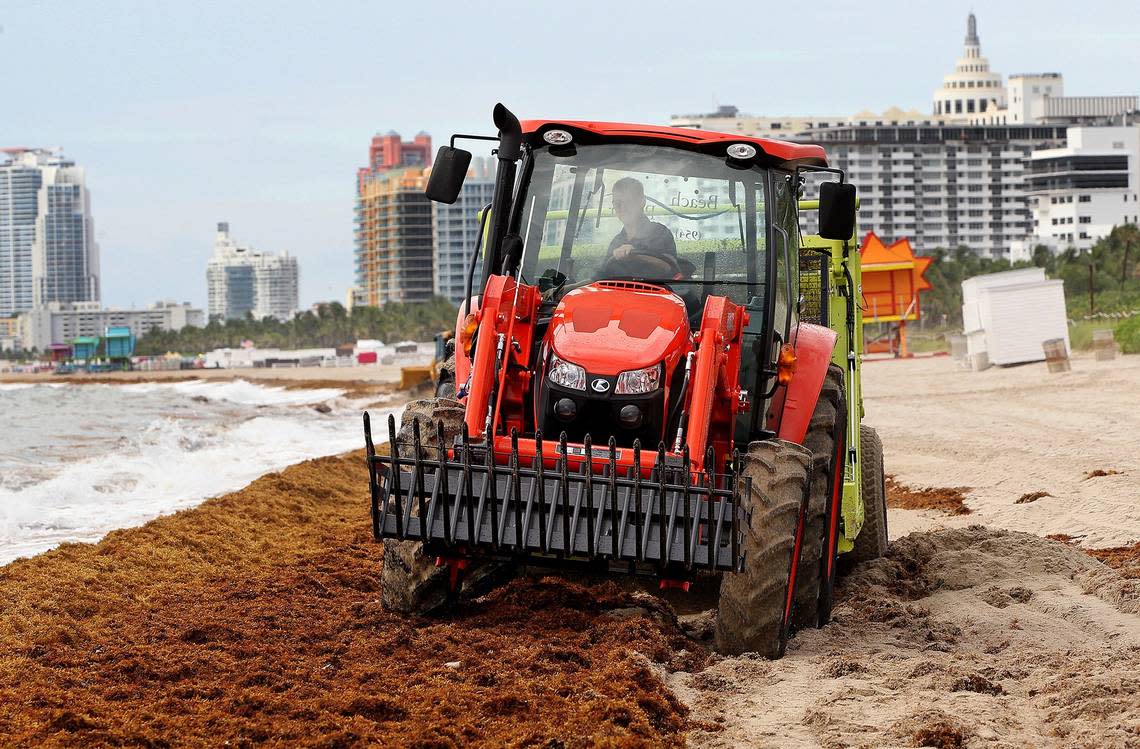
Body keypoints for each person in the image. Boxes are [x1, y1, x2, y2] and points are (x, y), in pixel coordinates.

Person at [602, 177, 680, 278]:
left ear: (642, 202)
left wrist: (635, 255)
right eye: (617, 203)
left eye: (628, 202)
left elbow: (669, 268)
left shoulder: (660, 233)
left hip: (654, 292)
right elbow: (599, 278)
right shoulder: (616, 241)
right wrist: (575, 287)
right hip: (618, 293)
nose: (622, 208)